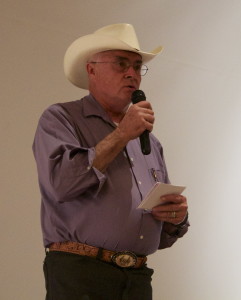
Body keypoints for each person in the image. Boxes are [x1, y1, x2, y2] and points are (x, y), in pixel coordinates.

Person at [33, 23, 189, 300]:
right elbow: (61, 185)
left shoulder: (151, 142)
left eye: (137, 66)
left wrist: (176, 218)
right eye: (120, 64)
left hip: (137, 278)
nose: (132, 73)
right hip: (81, 275)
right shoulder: (61, 118)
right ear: (91, 70)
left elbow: (163, 235)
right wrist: (122, 134)